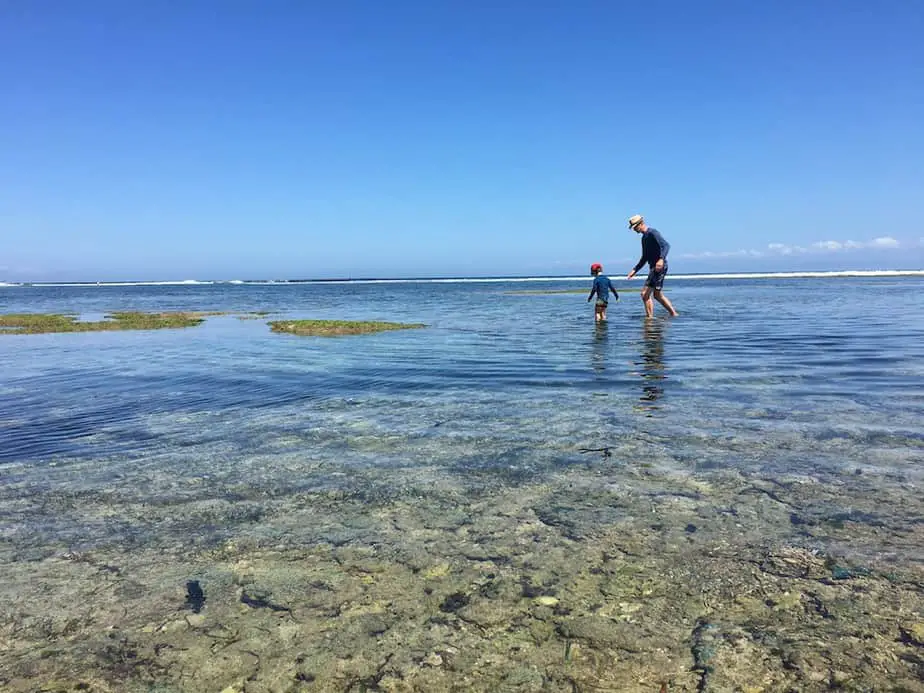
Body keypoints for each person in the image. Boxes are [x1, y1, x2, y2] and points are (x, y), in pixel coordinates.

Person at [626, 214, 679, 317]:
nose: (634, 230)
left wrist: (661, 259)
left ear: (641, 223)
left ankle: (649, 319)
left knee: (644, 294)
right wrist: (635, 270)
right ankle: (674, 314)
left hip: (659, 267)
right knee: (657, 295)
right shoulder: (644, 238)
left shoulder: (652, 233)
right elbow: (645, 257)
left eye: (635, 227)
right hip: (654, 268)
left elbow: (666, 245)